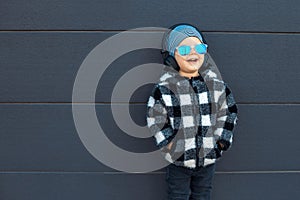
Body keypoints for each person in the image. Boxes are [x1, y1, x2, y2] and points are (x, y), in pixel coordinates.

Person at [146, 24, 238, 200]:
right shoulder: (166, 88)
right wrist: (169, 143)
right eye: (186, 48)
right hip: (178, 159)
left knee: (203, 194)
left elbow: (229, 112)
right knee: (177, 195)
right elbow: (155, 117)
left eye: (199, 47)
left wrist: (221, 141)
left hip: (208, 158)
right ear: (171, 56)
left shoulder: (216, 86)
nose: (193, 53)